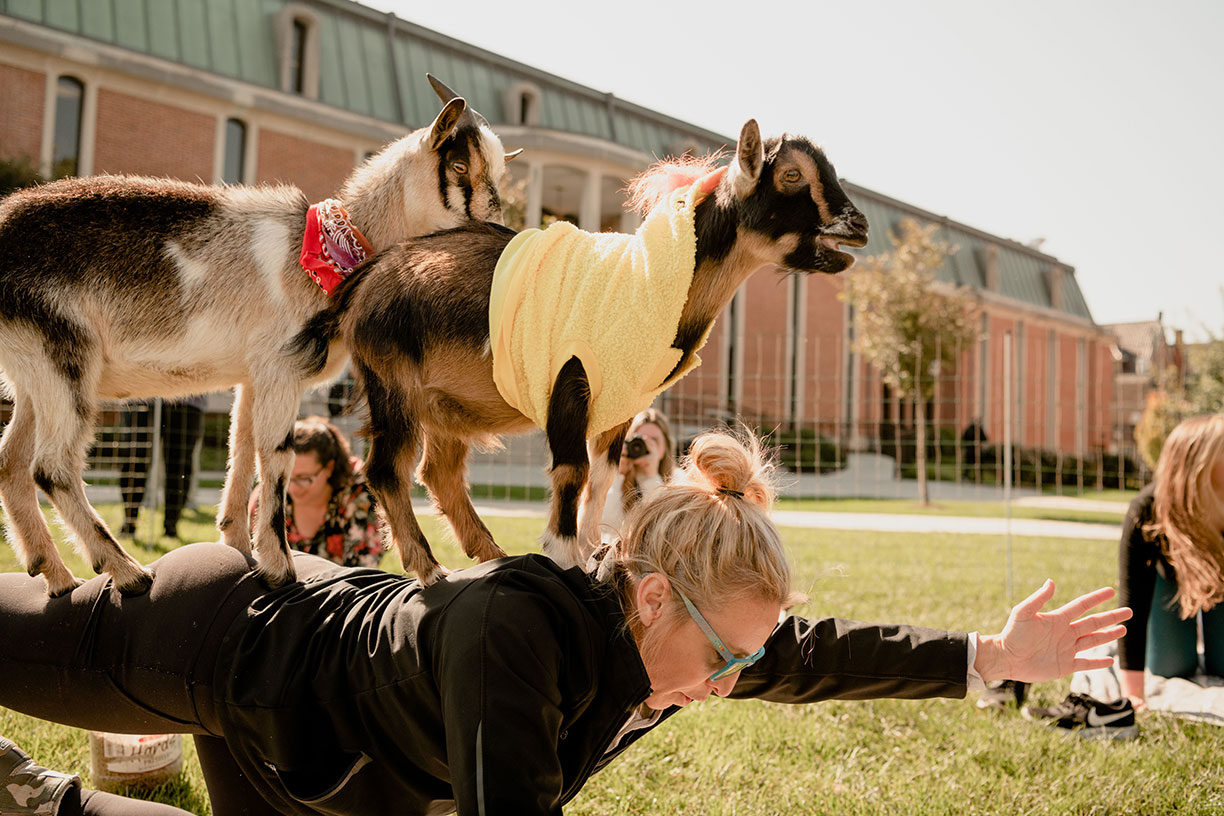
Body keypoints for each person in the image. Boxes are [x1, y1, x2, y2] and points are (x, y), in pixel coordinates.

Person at [0, 429, 1130, 816]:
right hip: (225, 632)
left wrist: (990, 657)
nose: (734, 682)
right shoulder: (515, 638)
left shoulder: (686, 640)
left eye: (746, 660)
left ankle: (36, 798)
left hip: (346, 759)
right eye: (728, 656)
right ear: (649, 595)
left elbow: (821, 656)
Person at [1116, 413, 1224, 710]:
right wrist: (1134, 695)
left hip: (1221, 586)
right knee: (1171, 665)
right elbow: (1132, 603)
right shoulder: (1146, 509)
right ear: (1198, 465)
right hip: (1169, 585)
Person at [250, 416, 384, 569]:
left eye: (304, 478)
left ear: (329, 468)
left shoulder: (359, 495)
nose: (292, 488)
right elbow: (252, 563)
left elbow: (361, 574)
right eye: (287, 477)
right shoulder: (271, 492)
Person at [118, 396, 206, 538]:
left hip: (187, 396)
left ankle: (171, 527)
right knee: (134, 457)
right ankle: (129, 522)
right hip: (142, 394)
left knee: (179, 464)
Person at [600, 408, 675, 537]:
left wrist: (651, 479)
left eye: (654, 441)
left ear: (664, 448)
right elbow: (606, 526)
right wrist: (617, 477)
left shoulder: (678, 481)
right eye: (638, 440)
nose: (645, 446)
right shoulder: (615, 478)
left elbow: (663, 528)